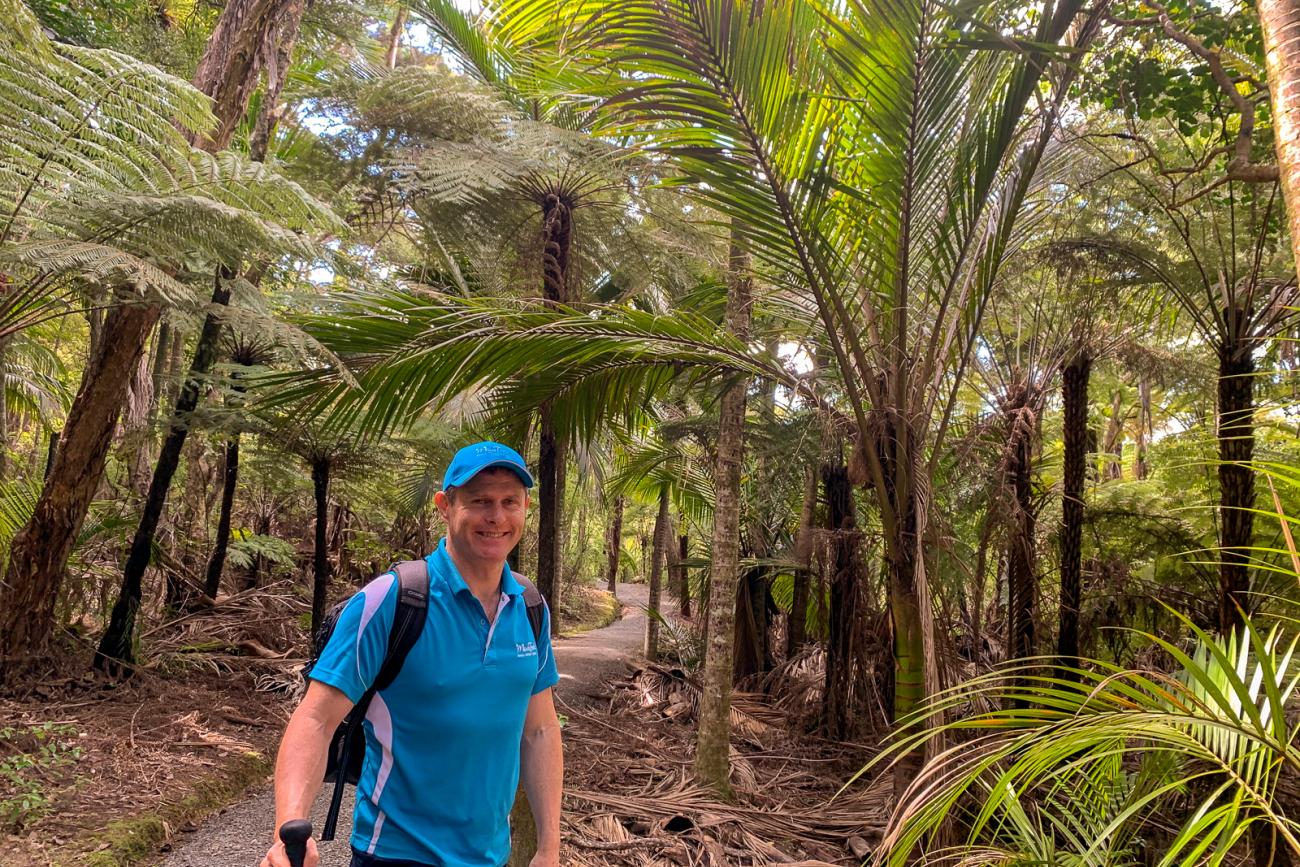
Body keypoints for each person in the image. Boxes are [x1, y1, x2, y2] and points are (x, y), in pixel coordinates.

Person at [260, 441, 562, 867]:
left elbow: (541, 731)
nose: (496, 517)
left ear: (525, 508)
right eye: (479, 501)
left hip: (491, 856)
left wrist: (549, 846)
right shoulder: (394, 600)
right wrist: (287, 829)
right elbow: (315, 718)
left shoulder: (530, 607)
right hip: (394, 854)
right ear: (444, 506)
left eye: (509, 501)